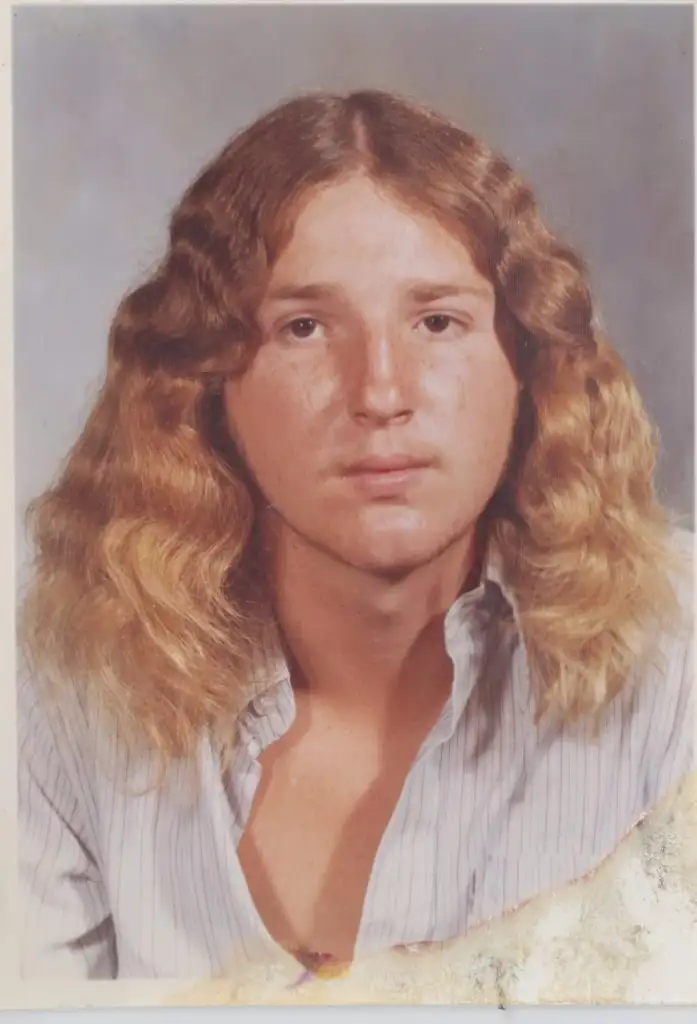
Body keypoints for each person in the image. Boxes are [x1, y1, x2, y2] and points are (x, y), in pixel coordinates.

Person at [18, 89, 694, 981]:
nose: (380, 392)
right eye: (304, 328)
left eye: (437, 322)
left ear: (527, 362)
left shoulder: (676, 657)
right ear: (203, 382)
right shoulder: (64, 680)